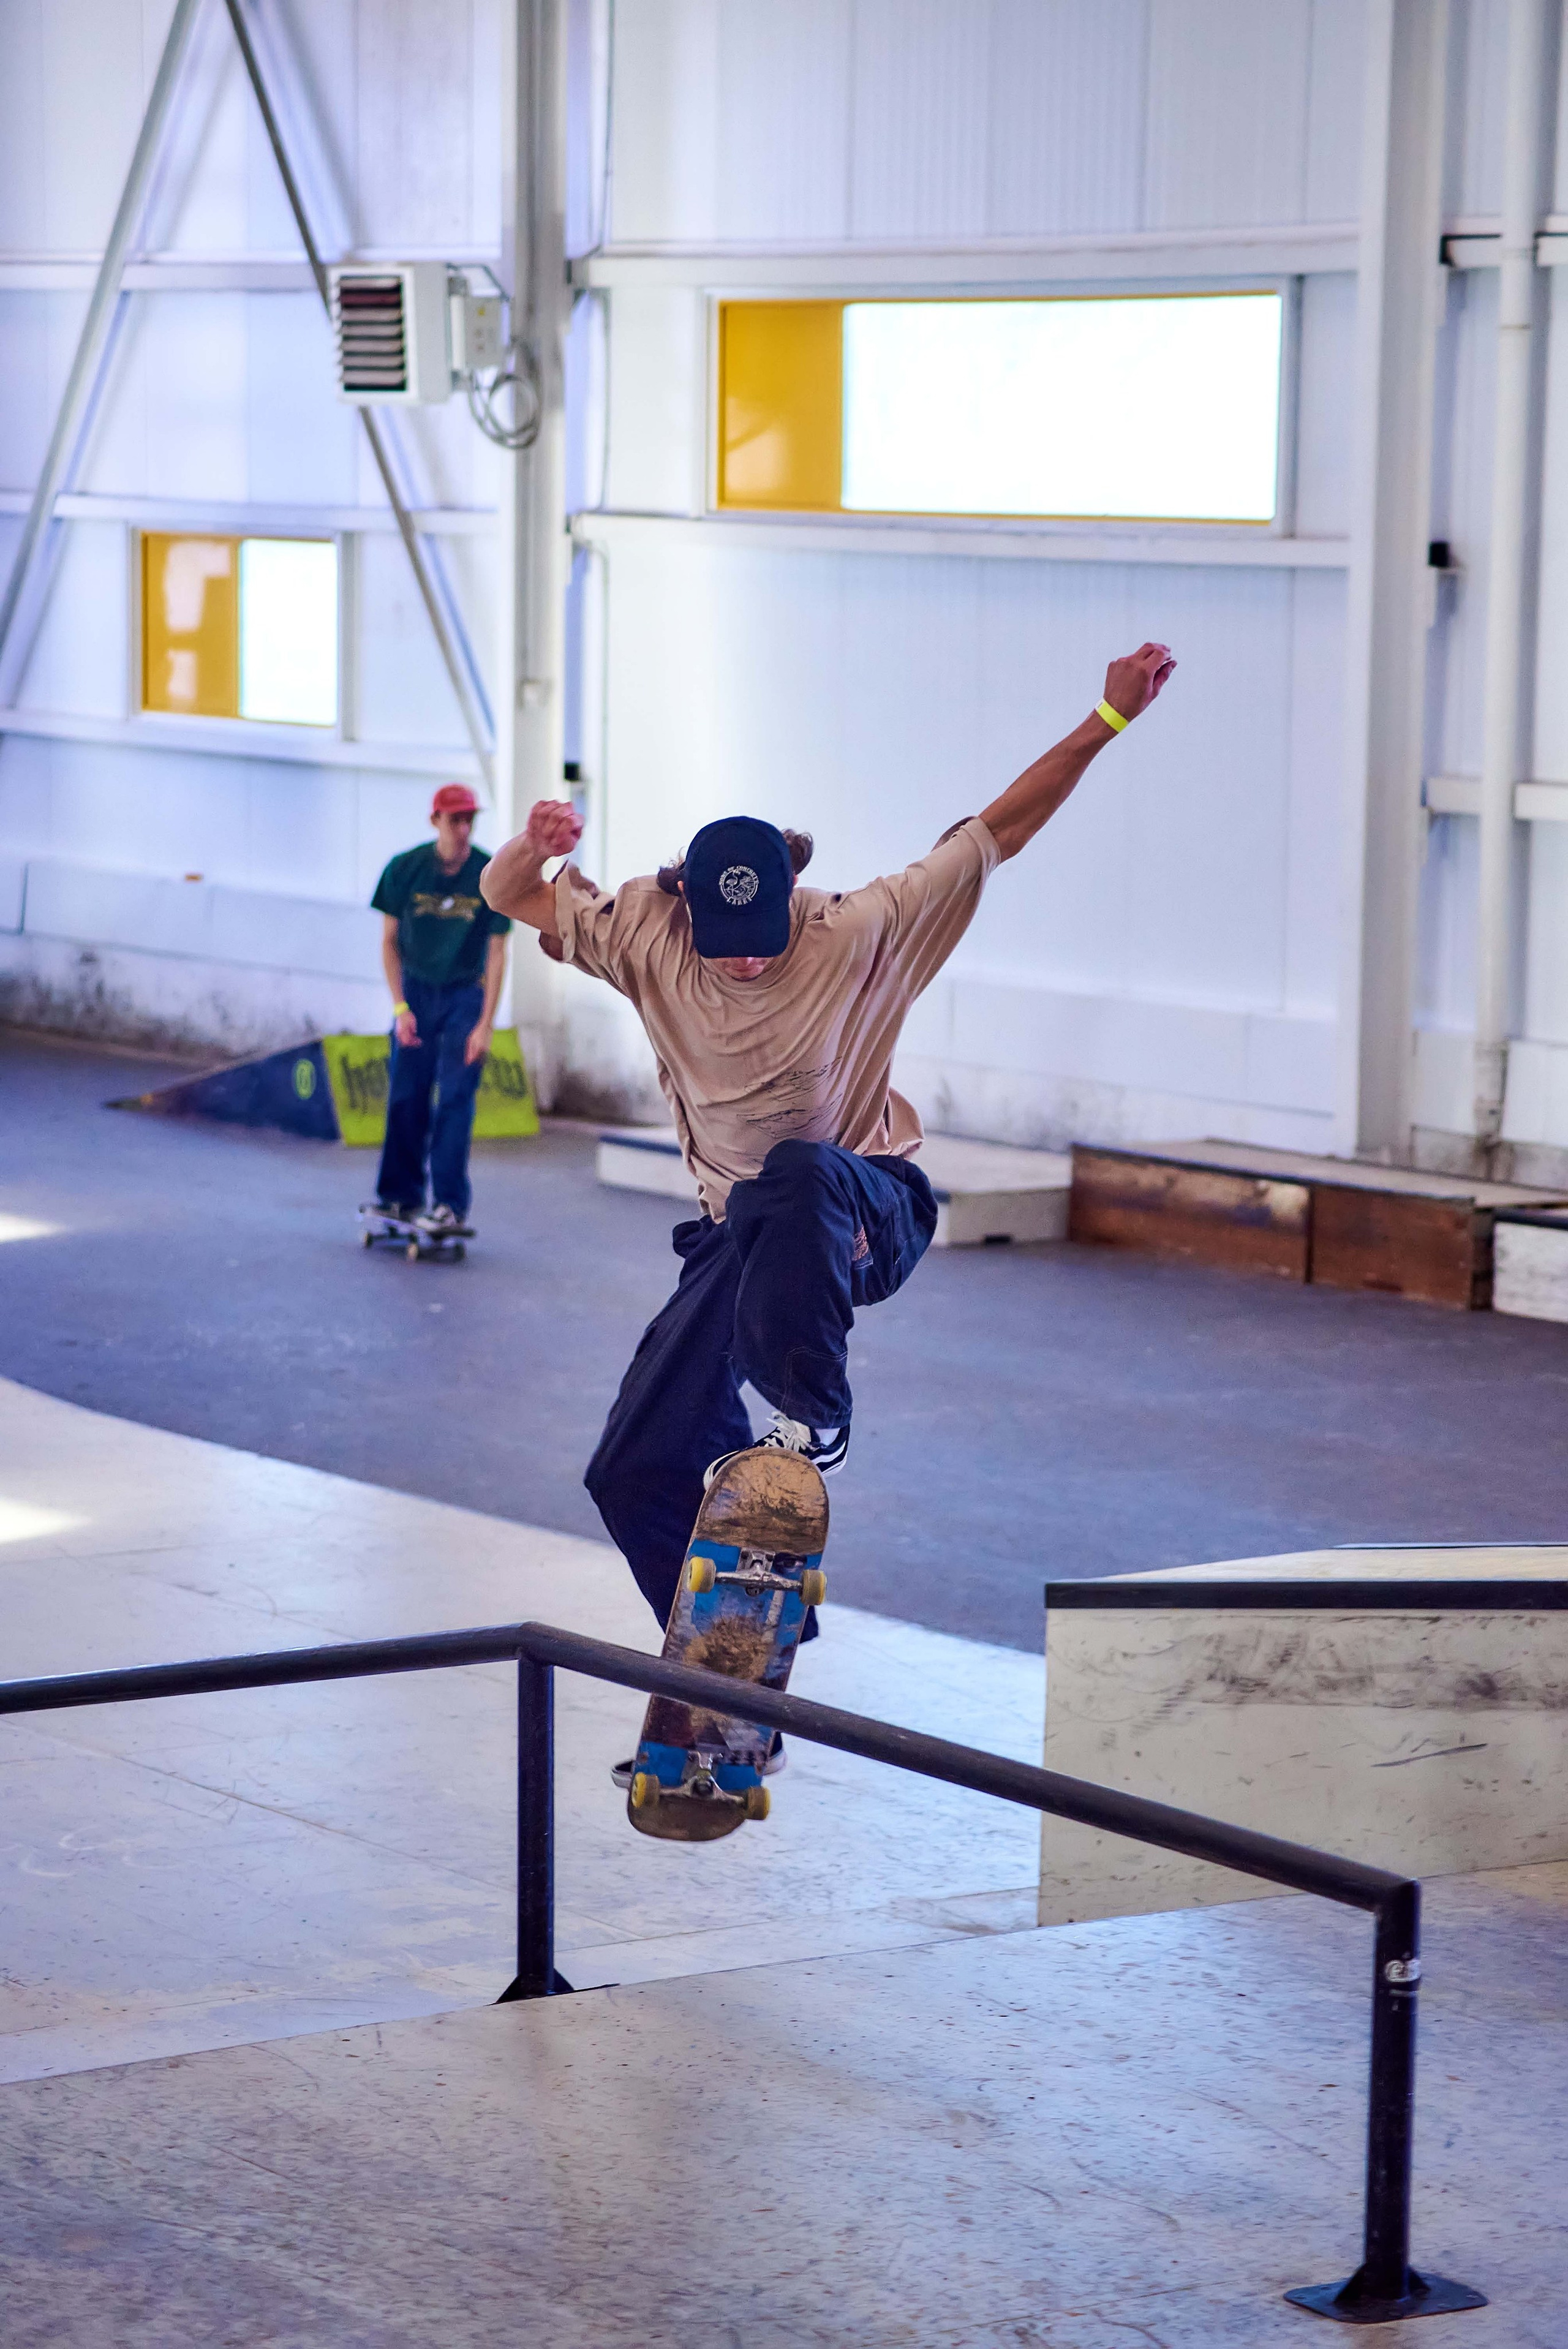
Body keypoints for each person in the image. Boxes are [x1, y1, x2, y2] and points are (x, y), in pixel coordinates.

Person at [481, 643, 1175, 1780]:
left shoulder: (860, 927)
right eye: (726, 950)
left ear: (795, 906)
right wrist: (537, 844)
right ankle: (733, 1684)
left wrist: (1107, 714)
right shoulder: (645, 930)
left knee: (793, 1174)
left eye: (766, 949)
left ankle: (810, 1422)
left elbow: (999, 829)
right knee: (635, 1465)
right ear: (684, 909)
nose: (747, 969)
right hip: (736, 1241)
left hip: (864, 1206)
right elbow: (508, 896)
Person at [371, 782, 511, 1234]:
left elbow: (497, 953)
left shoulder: (489, 874)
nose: (463, 828)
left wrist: (486, 1023)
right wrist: (400, 1008)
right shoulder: (405, 869)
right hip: (416, 990)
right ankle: (399, 1195)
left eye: (469, 819)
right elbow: (389, 943)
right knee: (408, 1094)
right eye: (454, 819)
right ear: (435, 821)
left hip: (464, 994)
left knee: (455, 1097)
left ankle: (449, 1202)